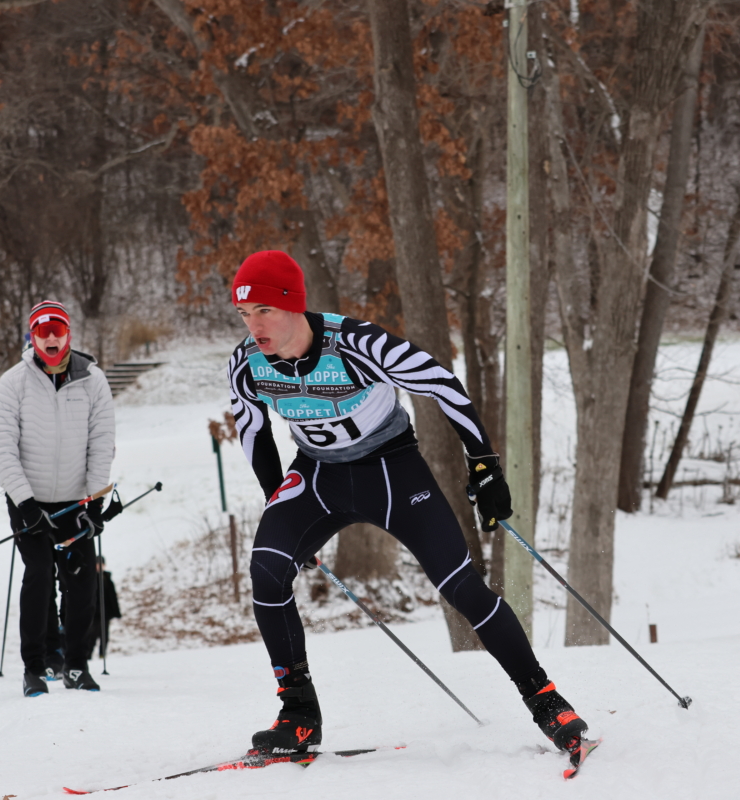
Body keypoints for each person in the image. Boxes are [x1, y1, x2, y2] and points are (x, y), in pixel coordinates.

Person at [226, 251, 590, 757]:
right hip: (317, 476)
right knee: (266, 570)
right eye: (244, 314)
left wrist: (484, 465)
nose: (253, 326)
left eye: (263, 311)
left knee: (461, 586)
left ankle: (547, 701)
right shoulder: (247, 363)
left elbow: (443, 384)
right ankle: (299, 716)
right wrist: (277, 503)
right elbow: (253, 430)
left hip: (391, 471)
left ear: (292, 306)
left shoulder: (356, 343)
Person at [0, 300, 121, 696]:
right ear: (32, 336)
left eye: (57, 329)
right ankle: (34, 667)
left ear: (68, 334)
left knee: (81, 582)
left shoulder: (93, 380)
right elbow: (3, 447)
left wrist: (95, 502)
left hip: (76, 501)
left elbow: (102, 442)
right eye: (42, 330)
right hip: (29, 501)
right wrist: (26, 505)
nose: (50, 336)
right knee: (41, 574)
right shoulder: (13, 382)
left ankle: (76, 664)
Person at [85, 556, 121, 660]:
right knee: (92, 636)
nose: (99, 567)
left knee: (104, 636)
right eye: (97, 564)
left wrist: (116, 612)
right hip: (94, 613)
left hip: (106, 613)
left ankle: (102, 655)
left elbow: (112, 597)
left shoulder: (107, 579)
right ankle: (88, 656)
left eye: (101, 564)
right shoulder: (91, 579)